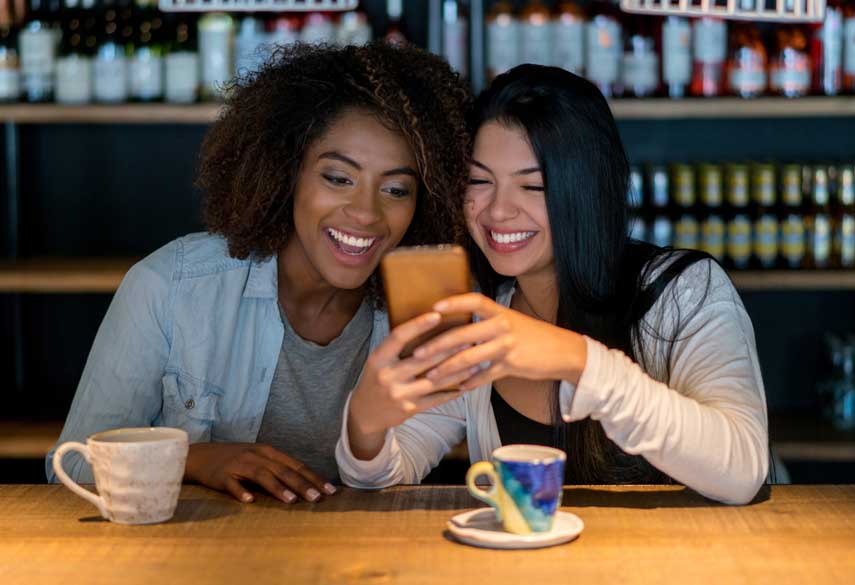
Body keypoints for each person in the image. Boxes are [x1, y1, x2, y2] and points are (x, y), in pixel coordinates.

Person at [46, 42, 473, 505]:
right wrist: (195, 459)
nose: (366, 213)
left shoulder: (431, 309)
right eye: (337, 178)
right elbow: (70, 467)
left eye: (395, 189)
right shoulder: (170, 286)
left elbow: (403, 467)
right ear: (286, 171)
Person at [336, 64, 769, 505]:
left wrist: (577, 360)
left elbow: (743, 472)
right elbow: (388, 472)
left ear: (584, 190)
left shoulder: (682, 292)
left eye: (534, 186)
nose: (498, 211)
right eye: (480, 181)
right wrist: (366, 425)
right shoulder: (479, 314)